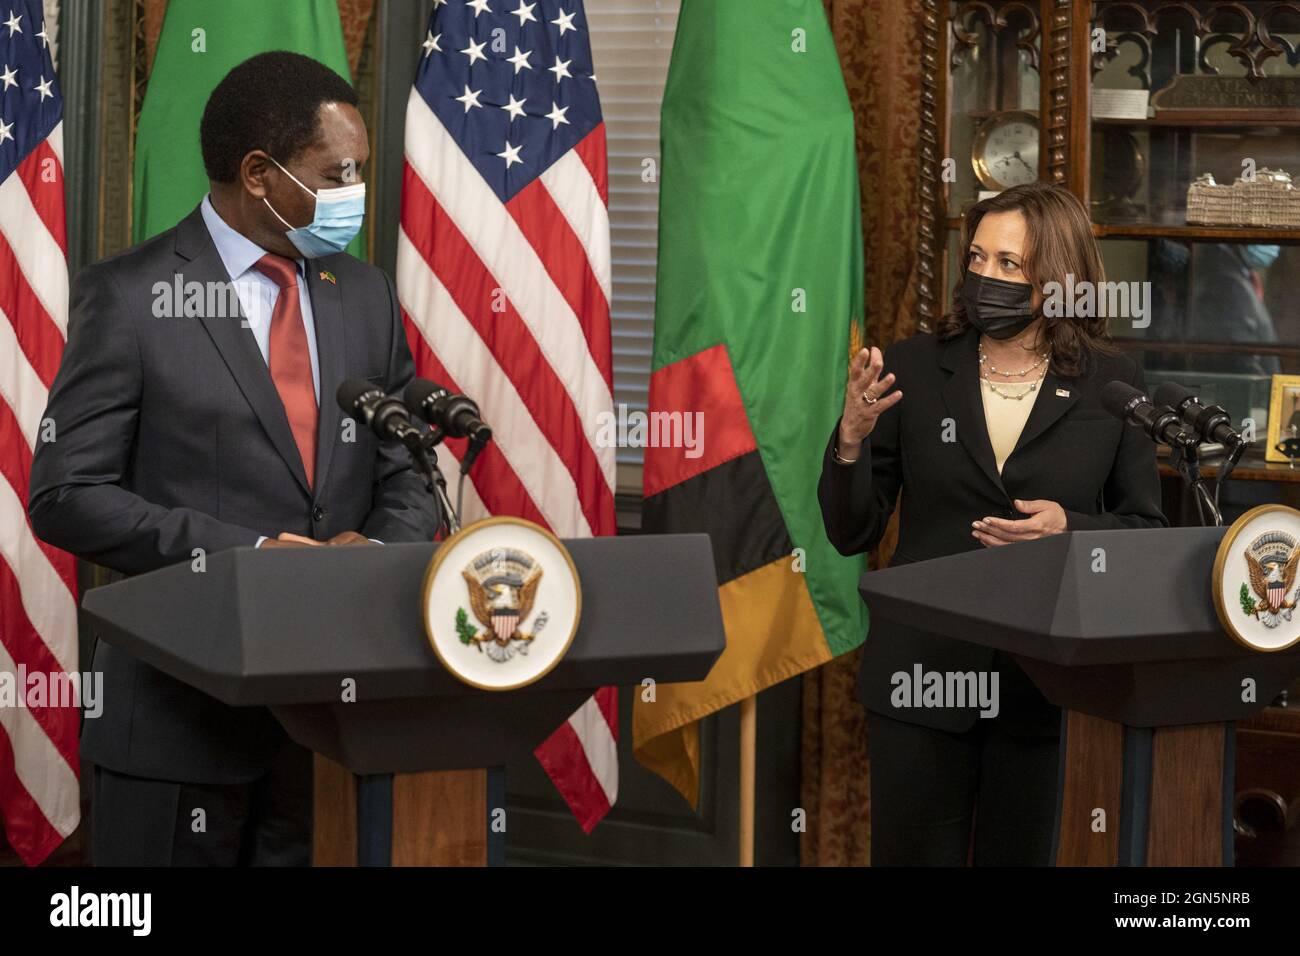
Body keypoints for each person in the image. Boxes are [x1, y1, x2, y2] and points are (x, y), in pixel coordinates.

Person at [27, 52, 440, 865]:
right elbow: (67, 491)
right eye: (338, 171)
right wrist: (248, 559)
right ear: (260, 173)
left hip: (330, 722)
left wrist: (380, 554)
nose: (356, 189)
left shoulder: (362, 292)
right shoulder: (130, 294)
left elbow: (405, 472)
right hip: (180, 726)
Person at [818, 182, 1167, 866]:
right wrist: (850, 439)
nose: (984, 276)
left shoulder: (1111, 384)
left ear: (1057, 278)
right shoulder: (913, 367)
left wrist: (1070, 527)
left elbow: (1145, 531)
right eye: (977, 257)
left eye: (1010, 264)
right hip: (921, 675)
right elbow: (850, 531)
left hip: (1044, 680)